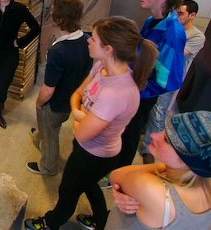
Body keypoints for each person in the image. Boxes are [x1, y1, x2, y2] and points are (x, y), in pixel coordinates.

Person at [24, 16, 158, 230]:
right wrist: (83, 115)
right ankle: (101, 220)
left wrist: (80, 116)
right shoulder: (101, 67)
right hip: (89, 148)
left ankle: (50, 222)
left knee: (68, 191)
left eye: (93, 39)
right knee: (87, 184)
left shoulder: (117, 93)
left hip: (94, 154)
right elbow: (77, 93)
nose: (87, 40)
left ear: (108, 49)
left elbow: (81, 133)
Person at [106, 110, 211, 229]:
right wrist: (171, 167)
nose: (154, 135)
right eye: (164, 130)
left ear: (187, 161)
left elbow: (116, 175)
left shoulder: (147, 186)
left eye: (167, 140)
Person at [117, 0, 186, 169]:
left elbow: (167, 80)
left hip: (143, 94)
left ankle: (120, 172)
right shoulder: (151, 21)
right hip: (134, 86)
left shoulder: (172, 33)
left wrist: (134, 90)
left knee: (130, 134)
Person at [27, 0, 92, 176]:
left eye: (53, 10)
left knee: (51, 136)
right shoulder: (87, 40)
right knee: (49, 129)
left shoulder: (58, 51)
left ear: (59, 18)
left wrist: (38, 103)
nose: (51, 12)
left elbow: (48, 89)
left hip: (54, 105)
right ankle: (39, 136)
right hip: (71, 103)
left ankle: (48, 167)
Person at [141, 0, 206, 164]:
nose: (177, 16)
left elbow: (175, 54)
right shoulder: (167, 26)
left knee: (158, 113)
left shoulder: (197, 36)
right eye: (176, 12)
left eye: (181, 13)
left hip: (167, 82)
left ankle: (147, 149)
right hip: (152, 75)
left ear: (192, 15)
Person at [0, 0, 41, 129]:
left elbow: (36, 28)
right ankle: (0, 104)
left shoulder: (19, 9)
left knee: (3, 84)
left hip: (10, 53)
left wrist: (19, 42)